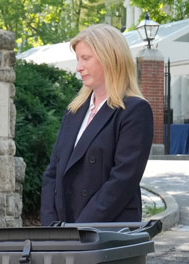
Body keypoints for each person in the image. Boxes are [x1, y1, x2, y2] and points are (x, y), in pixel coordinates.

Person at [40, 24, 154, 225]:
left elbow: (122, 181)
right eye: (78, 59)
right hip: (64, 231)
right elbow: (53, 172)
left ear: (110, 58)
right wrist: (51, 227)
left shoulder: (134, 110)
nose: (79, 67)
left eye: (86, 58)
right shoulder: (74, 111)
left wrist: (80, 229)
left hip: (105, 232)